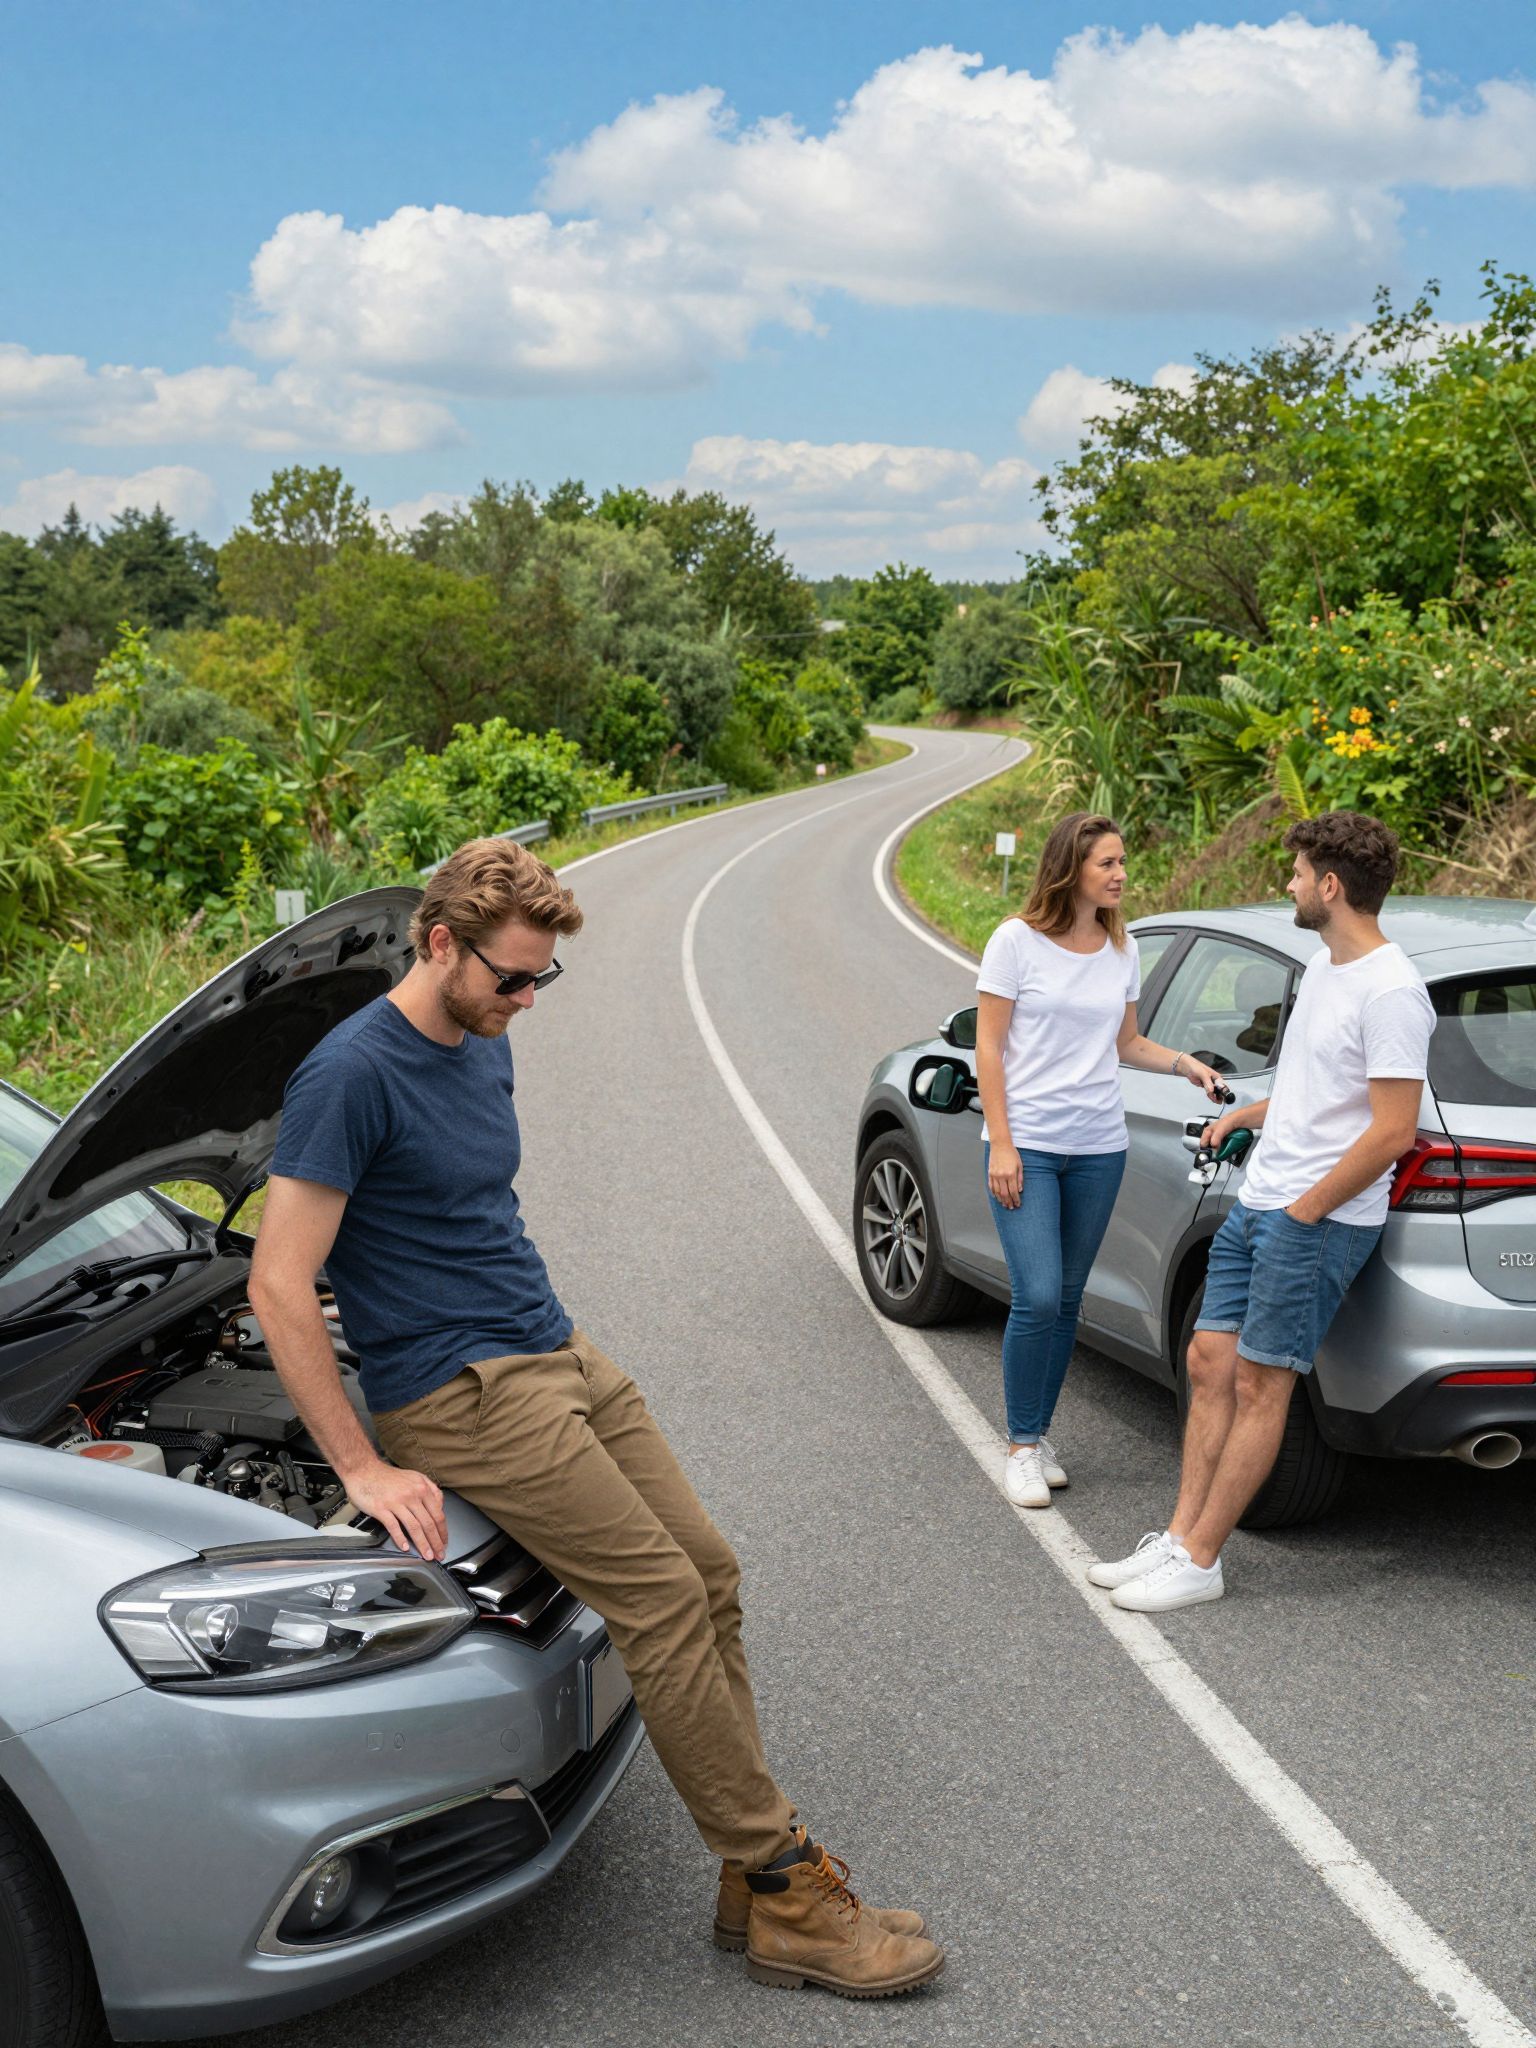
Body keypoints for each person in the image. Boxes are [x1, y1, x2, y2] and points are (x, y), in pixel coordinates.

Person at [249, 838, 943, 2000]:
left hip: (556, 1348)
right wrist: (361, 1464)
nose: (528, 1000)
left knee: (711, 1573)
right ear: (439, 943)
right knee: (657, 1597)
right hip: (458, 1390)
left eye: (543, 978)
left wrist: (555, 1338)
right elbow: (279, 1281)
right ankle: (785, 1887)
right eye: (513, 977)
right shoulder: (350, 1075)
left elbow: (478, 1206)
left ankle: (747, 1875)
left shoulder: (483, 1036)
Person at [1089, 810, 1434, 1612]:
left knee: (1261, 1382)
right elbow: (1320, 1092)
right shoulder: (1324, 968)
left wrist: (1307, 1211)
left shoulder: (1392, 992)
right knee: (1208, 1361)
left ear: (1331, 886)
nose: (1289, 883)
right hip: (1261, 1199)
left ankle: (1202, 1561)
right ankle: (1178, 1537)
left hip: (1314, 1219)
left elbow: (1392, 1130)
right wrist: (1250, 1114)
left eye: (1299, 873)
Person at [974, 812, 1223, 1510]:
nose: (1121, 874)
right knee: (1038, 1294)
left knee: (1068, 1299)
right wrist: (1001, 1142)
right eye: (1107, 863)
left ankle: (1037, 1435)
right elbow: (988, 1046)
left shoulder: (1122, 948)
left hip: (1098, 1146)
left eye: (1121, 861)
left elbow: (1126, 1043)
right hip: (1026, 1143)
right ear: (1071, 868)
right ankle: (1022, 1446)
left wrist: (1184, 1063)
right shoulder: (1015, 942)